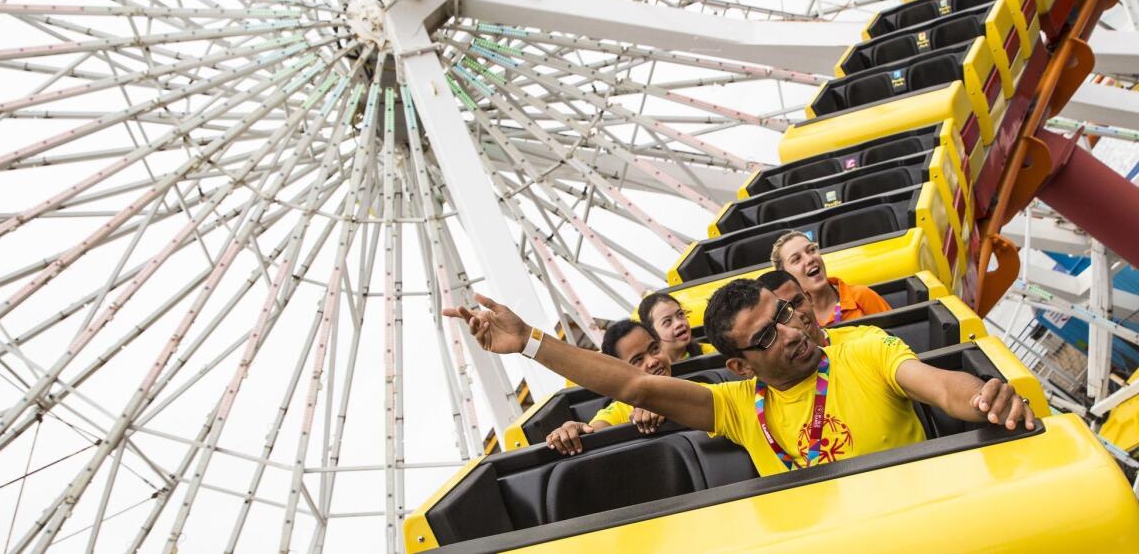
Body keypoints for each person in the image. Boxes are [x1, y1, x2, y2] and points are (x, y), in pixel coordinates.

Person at [443, 279, 1033, 477]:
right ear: (741, 366)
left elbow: (936, 385)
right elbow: (636, 389)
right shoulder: (735, 406)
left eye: (783, 315)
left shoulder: (861, 349)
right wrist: (530, 344)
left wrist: (984, 398)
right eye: (768, 336)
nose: (792, 332)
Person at [545, 319, 673, 454]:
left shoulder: (697, 386)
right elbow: (592, 431)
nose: (653, 361)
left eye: (654, 349)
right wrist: (571, 433)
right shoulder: (618, 411)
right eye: (638, 360)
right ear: (618, 374)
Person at [770, 231, 891, 328]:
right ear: (786, 275)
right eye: (796, 259)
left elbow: (897, 339)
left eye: (811, 250)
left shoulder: (861, 295)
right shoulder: (792, 321)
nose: (809, 259)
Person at [756, 270, 886, 348]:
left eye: (798, 302)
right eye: (783, 313)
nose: (797, 315)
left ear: (809, 299)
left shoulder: (866, 340)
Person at [637, 292, 717, 363]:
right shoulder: (654, 371)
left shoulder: (714, 353)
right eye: (667, 321)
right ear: (652, 332)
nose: (679, 323)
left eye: (680, 314)